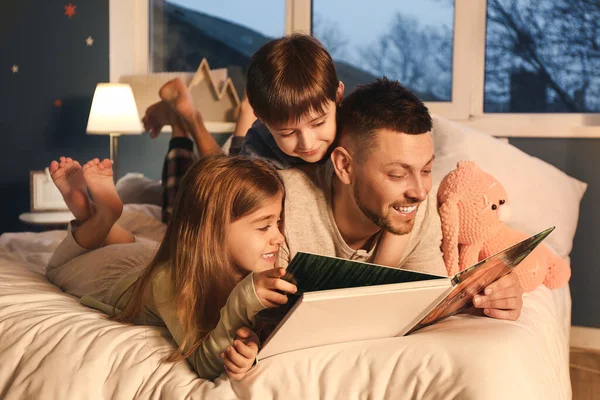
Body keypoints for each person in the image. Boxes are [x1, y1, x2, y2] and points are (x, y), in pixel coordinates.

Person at [277, 78, 525, 321]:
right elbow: (255, 316)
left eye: (426, 170)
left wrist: (489, 300)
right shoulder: (282, 205)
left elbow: (429, 310)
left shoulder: (422, 207)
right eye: (397, 174)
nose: (419, 192)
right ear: (345, 166)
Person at [45, 154, 297, 381]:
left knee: (131, 244)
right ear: (212, 232)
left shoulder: (247, 262)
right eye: (264, 227)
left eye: (278, 222)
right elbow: (204, 364)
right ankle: (101, 216)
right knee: (60, 267)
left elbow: (236, 328)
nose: (279, 237)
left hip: (140, 255)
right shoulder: (169, 281)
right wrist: (244, 299)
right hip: (114, 276)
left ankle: (93, 214)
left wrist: (244, 345)